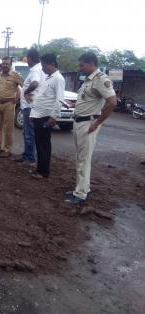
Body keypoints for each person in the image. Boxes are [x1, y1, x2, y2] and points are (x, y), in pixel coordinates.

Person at [65, 52, 117, 205]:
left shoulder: (101, 79)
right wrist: (74, 105)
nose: (79, 68)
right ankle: (82, 188)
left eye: (82, 65)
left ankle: (80, 194)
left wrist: (97, 123)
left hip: (88, 124)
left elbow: (112, 102)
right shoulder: (88, 80)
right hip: (79, 122)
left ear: (92, 64)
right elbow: (87, 100)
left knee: (83, 160)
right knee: (80, 158)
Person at [29, 54, 65, 179]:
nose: (43, 69)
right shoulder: (48, 78)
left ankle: (44, 172)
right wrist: (33, 114)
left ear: (52, 64)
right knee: (39, 144)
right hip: (39, 115)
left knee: (44, 145)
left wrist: (54, 117)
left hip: (46, 116)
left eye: (44, 66)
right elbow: (42, 97)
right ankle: (40, 169)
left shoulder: (58, 79)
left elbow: (59, 99)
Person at [13, 48, 45, 166]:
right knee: (28, 132)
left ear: (30, 58)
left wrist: (26, 92)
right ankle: (27, 155)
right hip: (31, 105)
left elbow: (35, 83)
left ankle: (29, 158)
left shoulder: (35, 70)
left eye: (27, 58)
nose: (27, 61)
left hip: (29, 106)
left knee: (29, 133)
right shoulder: (39, 69)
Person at [0, 57, 23, 157]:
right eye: (3, 63)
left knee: (8, 128)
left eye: (7, 64)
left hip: (9, 104)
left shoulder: (15, 76)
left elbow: (22, 88)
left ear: (10, 65)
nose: (5, 65)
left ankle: (7, 149)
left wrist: (15, 100)